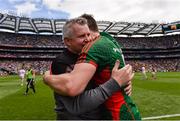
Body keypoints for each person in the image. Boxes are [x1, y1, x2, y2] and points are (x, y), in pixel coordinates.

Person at [44, 15, 141, 120]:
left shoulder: (89, 57)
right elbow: (76, 105)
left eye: (88, 34)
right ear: (68, 41)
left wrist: (124, 84)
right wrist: (114, 84)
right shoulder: (61, 62)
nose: (88, 39)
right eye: (82, 36)